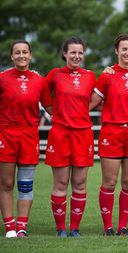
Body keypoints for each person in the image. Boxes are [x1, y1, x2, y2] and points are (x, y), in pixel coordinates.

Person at [90, 34, 128, 237]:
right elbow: (90, 102)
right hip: (111, 132)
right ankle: (108, 227)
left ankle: (123, 226)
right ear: (116, 51)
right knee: (110, 182)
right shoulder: (107, 75)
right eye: (124, 49)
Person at [43, 37, 96, 237]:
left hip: (83, 134)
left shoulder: (90, 76)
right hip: (60, 133)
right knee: (61, 183)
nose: (76, 56)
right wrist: (53, 111)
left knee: (80, 183)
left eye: (80, 53)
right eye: (72, 52)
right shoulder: (55, 75)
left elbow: (97, 97)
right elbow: (42, 92)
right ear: (65, 53)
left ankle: (74, 228)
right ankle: (60, 229)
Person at [0, 40, 51, 238]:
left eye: (25, 52)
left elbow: (51, 108)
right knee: (6, 183)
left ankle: (22, 227)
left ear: (30, 55)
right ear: (12, 56)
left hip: (29, 137)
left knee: (26, 184)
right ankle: (9, 227)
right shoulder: (2, 78)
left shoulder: (39, 81)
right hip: (6, 136)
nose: (21, 56)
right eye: (17, 52)